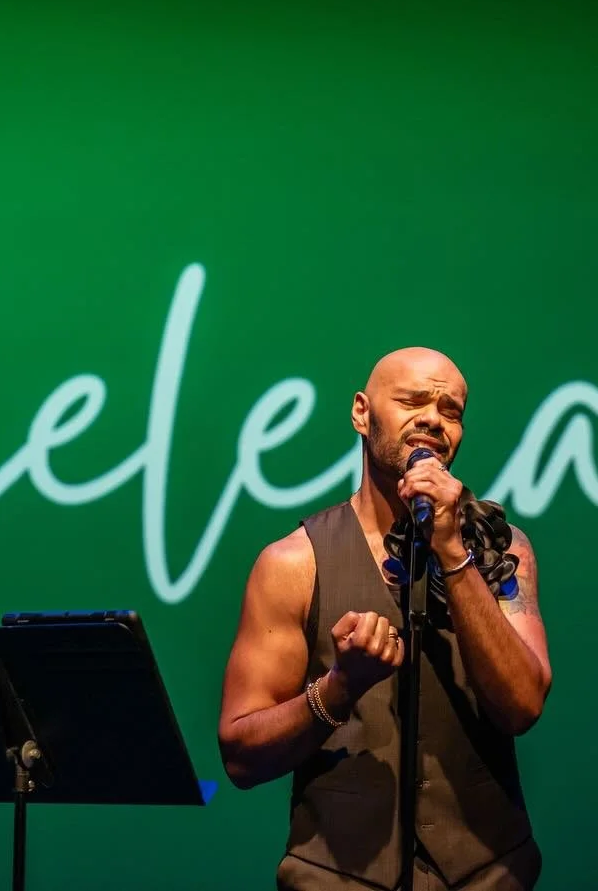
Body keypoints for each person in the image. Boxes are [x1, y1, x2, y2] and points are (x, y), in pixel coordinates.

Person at [217, 347, 551, 890]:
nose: (433, 420)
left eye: (451, 410)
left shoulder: (503, 551)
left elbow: (522, 705)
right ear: (361, 413)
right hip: (340, 879)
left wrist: (450, 550)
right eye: (412, 401)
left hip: (487, 875)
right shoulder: (293, 564)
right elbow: (240, 756)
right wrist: (340, 687)